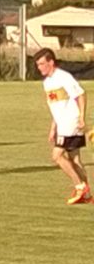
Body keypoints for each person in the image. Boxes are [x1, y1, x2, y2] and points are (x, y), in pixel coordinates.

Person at [35, 48, 90, 205]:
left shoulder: (64, 77)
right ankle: (87, 196)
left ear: (51, 62)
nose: (39, 68)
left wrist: (81, 117)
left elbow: (80, 94)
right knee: (75, 159)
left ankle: (80, 187)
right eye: (38, 65)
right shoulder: (47, 83)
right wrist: (53, 127)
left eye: (42, 64)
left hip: (70, 122)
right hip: (62, 123)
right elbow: (56, 106)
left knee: (57, 156)